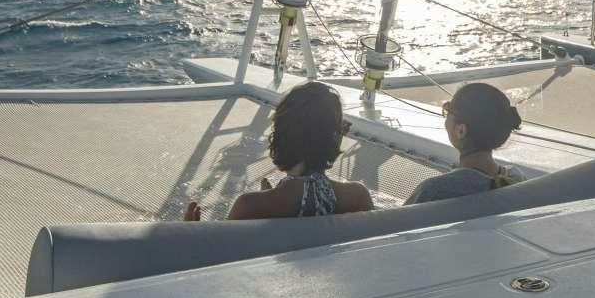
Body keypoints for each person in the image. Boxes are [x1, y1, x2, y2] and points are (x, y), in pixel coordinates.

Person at [183, 80, 374, 220]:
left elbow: (217, 260)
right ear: (335, 137)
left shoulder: (251, 207)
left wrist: (195, 233)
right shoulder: (358, 197)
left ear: (281, 135)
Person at [405, 82, 522, 204]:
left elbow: (395, 222)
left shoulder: (433, 190)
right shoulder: (516, 178)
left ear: (460, 131)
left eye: (447, 112)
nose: (445, 120)